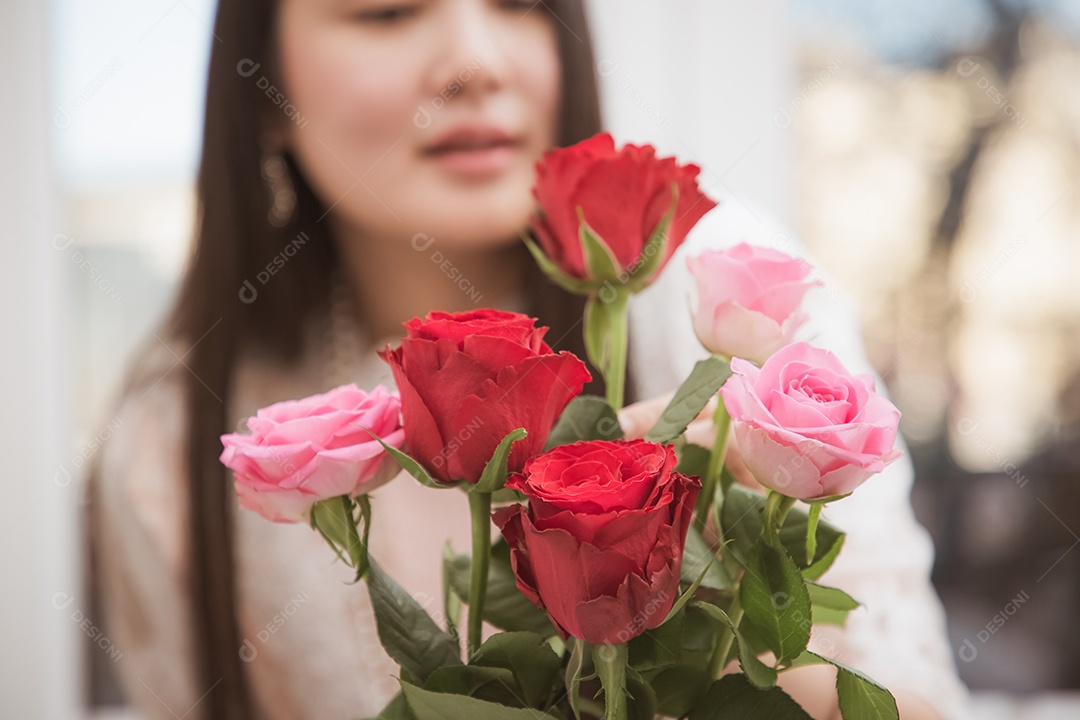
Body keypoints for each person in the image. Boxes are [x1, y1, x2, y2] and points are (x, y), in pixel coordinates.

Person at [89, 0, 971, 718]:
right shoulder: (176, 442)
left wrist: (713, 576)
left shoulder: (730, 295)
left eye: (520, 3)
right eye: (388, 12)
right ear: (263, 91)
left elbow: (913, 698)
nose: (476, 62)